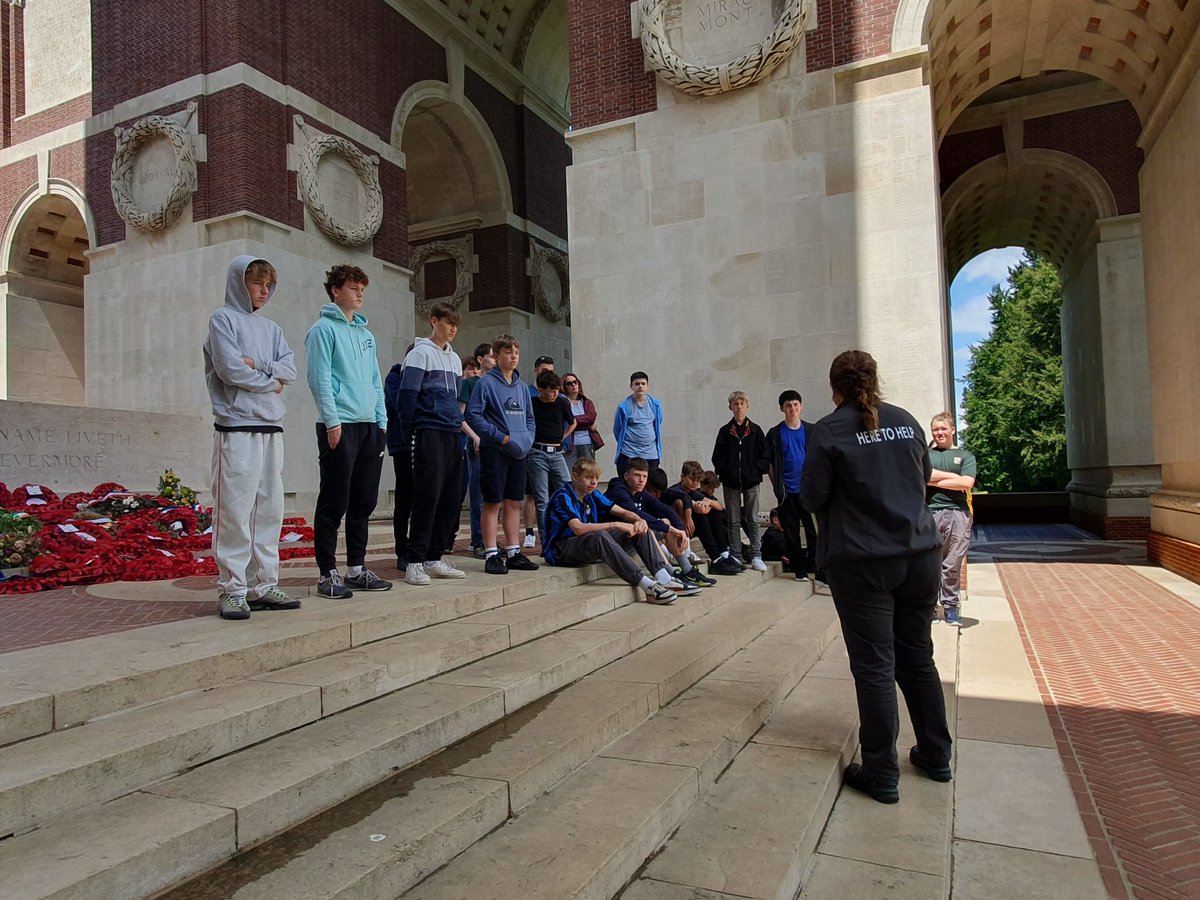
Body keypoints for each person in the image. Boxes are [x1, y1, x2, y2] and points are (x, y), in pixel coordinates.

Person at [801, 349, 951, 805]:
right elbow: (923, 476)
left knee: (874, 666)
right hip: (919, 555)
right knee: (917, 658)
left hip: (864, 561)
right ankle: (936, 754)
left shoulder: (829, 429)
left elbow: (811, 495)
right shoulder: (906, 420)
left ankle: (883, 770)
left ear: (835, 387)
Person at [203, 256, 301, 620]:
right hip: (236, 425)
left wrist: (259, 367)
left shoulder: (272, 329)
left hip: (271, 428)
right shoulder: (222, 319)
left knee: (269, 508)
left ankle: (263, 584)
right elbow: (230, 371)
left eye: (267, 284)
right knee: (235, 509)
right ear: (239, 283)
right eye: (256, 283)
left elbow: (289, 370)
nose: (263, 290)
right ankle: (232, 588)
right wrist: (272, 383)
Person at [305, 264, 392, 599]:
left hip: (369, 426)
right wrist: (332, 421)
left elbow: (375, 381)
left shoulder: (366, 335)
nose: (359, 293)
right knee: (333, 501)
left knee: (363, 501)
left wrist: (381, 424)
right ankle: (328, 572)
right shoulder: (322, 330)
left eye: (362, 288)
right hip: (340, 424)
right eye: (353, 287)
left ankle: (356, 568)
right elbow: (319, 379)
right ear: (335, 290)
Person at [543, 457, 697, 604]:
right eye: (588, 477)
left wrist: (638, 521)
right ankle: (647, 586)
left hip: (585, 545)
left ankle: (664, 577)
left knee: (637, 529)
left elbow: (621, 511)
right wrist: (616, 525)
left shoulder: (593, 494)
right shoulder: (563, 496)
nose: (594, 482)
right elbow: (578, 528)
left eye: (596, 478)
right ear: (575, 477)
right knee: (600, 536)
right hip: (560, 550)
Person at [392, 303, 468, 586]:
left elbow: (455, 399)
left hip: (451, 431)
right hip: (427, 431)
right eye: (449, 323)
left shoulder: (456, 359)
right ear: (434, 321)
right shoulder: (419, 354)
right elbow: (407, 397)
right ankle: (414, 561)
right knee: (428, 496)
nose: (453, 329)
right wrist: (410, 431)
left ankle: (434, 557)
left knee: (450, 497)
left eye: (456, 325)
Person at [464, 334, 540, 575]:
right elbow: (473, 415)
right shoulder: (485, 383)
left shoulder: (522, 387)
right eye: (508, 352)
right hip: (495, 451)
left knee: (513, 502)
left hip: (519, 452)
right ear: (496, 357)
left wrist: (526, 439)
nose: (513, 356)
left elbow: (529, 418)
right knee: (492, 502)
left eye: (516, 352)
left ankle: (514, 551)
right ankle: (491, 554)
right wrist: (500, 437)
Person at [605, 459, 714, 589]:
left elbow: (664, 509)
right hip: (611, 540)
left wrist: (680, 529)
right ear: (626, 476)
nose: (641, 480)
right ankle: (670, 572)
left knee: (666, 521)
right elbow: (635, 514)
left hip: (632, 538)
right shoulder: (618, 491)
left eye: (644, 476)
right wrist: (670, 529)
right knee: (648, 527)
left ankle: (686, 570)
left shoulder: (640, 492)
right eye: (637, 475)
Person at [711, 390, 772, 572]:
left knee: (753, 519)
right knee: (733, 520)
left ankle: (756, 555)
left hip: (751, 482)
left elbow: (765, 455)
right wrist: (726, 471)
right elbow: (717, 457)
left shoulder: (755, 430)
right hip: (731, 483)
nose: (739, 407)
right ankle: (736, 555)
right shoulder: (724, 432)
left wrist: (756, 470)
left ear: (747, 406)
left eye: (742, 403)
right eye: (735, 404)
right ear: (730, 407)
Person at [926, 412, 976, 627]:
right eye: (935, 430)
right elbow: (923, 476)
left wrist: (936, 480)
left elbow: (967, 483)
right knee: (930, 563)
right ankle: (930, 608)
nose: (939, 433)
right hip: (930, 512)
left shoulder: (966, 455)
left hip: (958, 513)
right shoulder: (926, 454)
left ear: (952, 430)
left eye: (943, 429)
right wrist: (954, 478)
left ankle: (950, 608)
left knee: (953, 563)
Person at [766, 390, 820, 583]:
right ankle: (800, 571)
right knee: (791, 533)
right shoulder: (774, 434)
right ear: (782, 408)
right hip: (787, 493)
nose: (793, 409)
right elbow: (770, 464)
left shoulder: (812, 430)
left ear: (801, 406)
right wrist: (777, 488)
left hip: (808, 491)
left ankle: (817, 568)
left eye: (796, 404)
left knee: (813, 531)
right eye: (788, 405)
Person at [528, 370, 576, 544]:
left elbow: (573, 422)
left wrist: (563, 437)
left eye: (557, 389)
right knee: (542, 500)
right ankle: (546, 540)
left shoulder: (562, 403)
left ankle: (570, 535)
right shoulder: (532, 403)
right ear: (541, 389)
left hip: (557, 452)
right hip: (537, 452)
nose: (555, 393)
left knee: (568, 491)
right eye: (551, 390)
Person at [459, 343, 495, 559]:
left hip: (495, 444)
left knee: (493, 495)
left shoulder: (497, 383)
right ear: (480, 360)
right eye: (491, 356)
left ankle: (489, 538)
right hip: (476, 445)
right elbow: (460, 414)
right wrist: (474, 436)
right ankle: (477, 540)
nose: (495, 359)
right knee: (478, 495)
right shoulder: (470, 384)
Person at [384, 341, 415, 571]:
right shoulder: (395, 377)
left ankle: (419, 547)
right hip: (403, 444)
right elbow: (400, 405)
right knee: (405, 498)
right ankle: (401, 550)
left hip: (425, 443)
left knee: (425, 498)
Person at [522, 354, 557, 549]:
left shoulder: (557, 395)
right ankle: (529, 532)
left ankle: (556, 531)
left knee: (558, 492)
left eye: (551, 371)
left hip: (556, 452)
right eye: (544, 371)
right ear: (536, 370)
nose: (547, 374)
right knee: (533, 495)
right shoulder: (527, 392)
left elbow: (567, 419)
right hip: (533, 451)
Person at [612, 371, 663, 476]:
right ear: (631, 386)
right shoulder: (624, 407)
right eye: (637, 384)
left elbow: (658, 423)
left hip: (651, 454)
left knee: (649, 486)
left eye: (643, 384)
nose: (640, 386)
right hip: (629, 453)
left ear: (647, 386)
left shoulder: (655, 405)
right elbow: (617, 429)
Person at [561, 373, 600, 470]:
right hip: (570, 444)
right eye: (569, 383)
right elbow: (563, 420)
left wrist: (572, 422)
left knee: (588, 472)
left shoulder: (586, 402)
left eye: (575, 382)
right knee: (569, 473)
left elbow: (590, 418)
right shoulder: (562, 402)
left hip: (586, 442)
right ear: (564, 387)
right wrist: (586, 425)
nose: (573, 385)